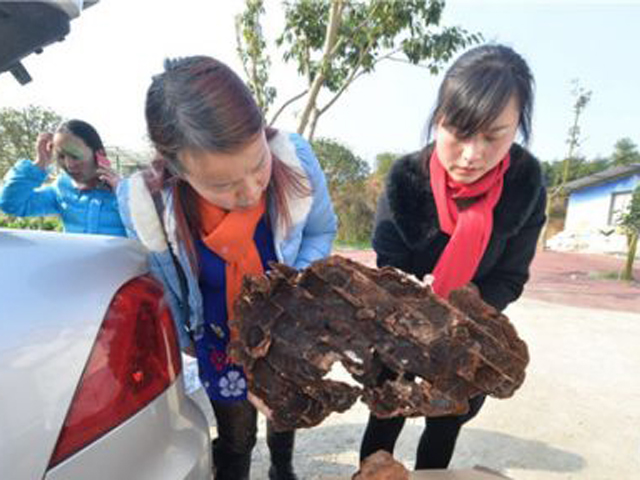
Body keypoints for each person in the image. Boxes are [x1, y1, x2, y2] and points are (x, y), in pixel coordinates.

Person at [116, 56, 337, 480]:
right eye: (222, 185)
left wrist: (293, 294)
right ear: (177, 170)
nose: (251, 190)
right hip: (220, 339)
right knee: (236, 438)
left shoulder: (296, 161)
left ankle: (282, 469)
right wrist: (189, 344)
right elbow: (168, 290)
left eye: (257, 165)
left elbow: (321, 232)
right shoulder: (151, 209)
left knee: (283, 414)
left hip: (287, 328)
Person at [359, 44, 546, 469]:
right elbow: (388, 265)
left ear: (517, 128)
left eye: (494, 136)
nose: (472, 154)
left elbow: (510, 278)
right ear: (439, 117)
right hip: (400, 334)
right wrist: (414, 298)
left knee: (444, 428)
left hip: (468, 339)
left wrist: (463, 304)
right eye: (460, 132)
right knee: (384, 424)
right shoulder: (406, 180)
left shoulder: (525, 186)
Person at [0, 119, 125, 236]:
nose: (69, 165)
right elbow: (11, 205)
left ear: (99, 154)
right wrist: (40, 163)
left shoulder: (128, 191)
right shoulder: (61, 191)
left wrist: (125, 197)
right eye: (61, 156)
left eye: (75, 156)